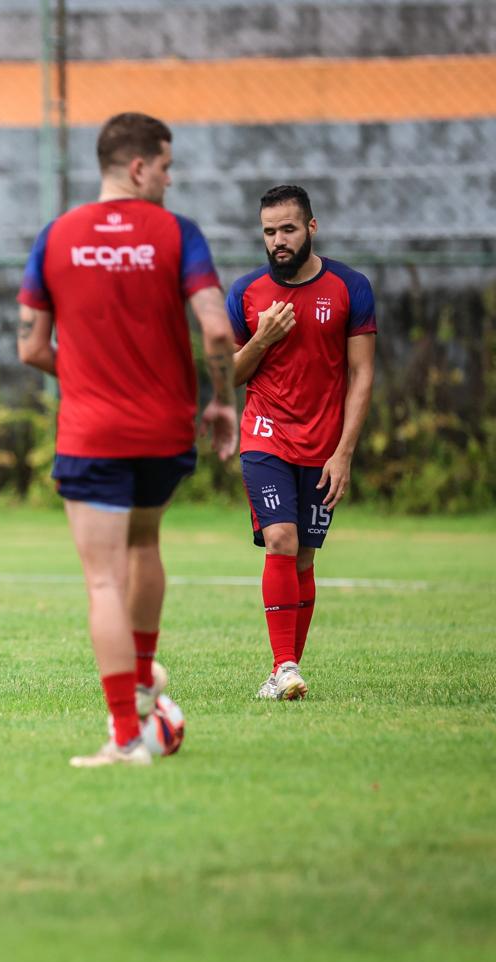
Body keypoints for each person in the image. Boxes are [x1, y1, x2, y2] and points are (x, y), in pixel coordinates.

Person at [17, 112, 238, 768]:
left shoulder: (56, 236)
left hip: (92, 431)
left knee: (103, 583)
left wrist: (87, 374)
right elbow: (217, 330)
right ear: (139, 167)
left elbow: (31, 347)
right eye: (166, 167)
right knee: (145, 543)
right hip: (165, 428)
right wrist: (223, 398)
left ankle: (124, 735)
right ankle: (142, 679)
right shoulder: (178, 233)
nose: (170, 180)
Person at [227, 184, 376, 700]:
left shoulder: (350, 287)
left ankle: (284, 673)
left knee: (306, 558)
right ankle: (285, 665)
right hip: (265, 434)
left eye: (288, 229)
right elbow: (229, 374)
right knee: (281, 541)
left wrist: (344, 453)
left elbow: (362, 374)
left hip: (323, 444)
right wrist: (263, 338)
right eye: (269, 232)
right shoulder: (246, 293)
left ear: (311, 227)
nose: (278, 240)